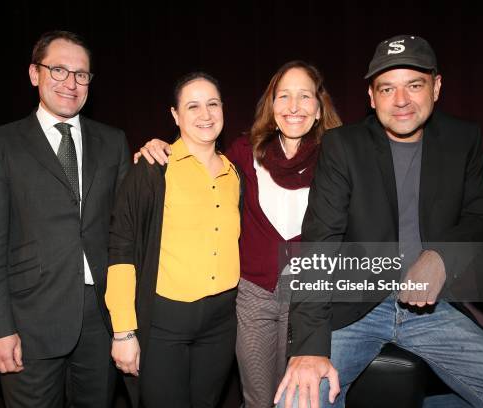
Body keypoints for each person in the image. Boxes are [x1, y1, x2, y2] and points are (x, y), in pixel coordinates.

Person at [275, 34, 483, 408]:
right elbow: (319, 245)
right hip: (354, 307)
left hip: (432, 309)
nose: (401, 101)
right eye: (387, 88)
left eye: (414, 85)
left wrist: (441, 256)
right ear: (371, 97)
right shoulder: (343, 146)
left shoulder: (464, 139)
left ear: (436, 86)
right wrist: (309, 348)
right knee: (296, 404)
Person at [137, 61, 342, 407]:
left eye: (304, 97)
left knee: (301, 398)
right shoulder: (244, 154)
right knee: (259, 397)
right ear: (271, 106)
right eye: (284, 96)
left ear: (319, 109)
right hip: (253, 296)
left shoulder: (339, 159)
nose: (293, 107)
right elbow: (199, 163)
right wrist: (159, 148)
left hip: (310, 299)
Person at [0, 30, 129, 407]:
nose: (70, 83)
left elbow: (124, 230)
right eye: (58, 70)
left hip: (100, 320)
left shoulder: (113, 141)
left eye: (81, 74)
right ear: (33, 74)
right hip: (29, 320)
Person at [106, 72, 241, 407]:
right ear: (175, 115)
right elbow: (121, 249)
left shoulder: (234, 174)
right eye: (192, 106)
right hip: (166, 322)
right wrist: (123, 331)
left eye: (212, 104)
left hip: (222, 322)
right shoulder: (152, 169)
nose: (205, 115)